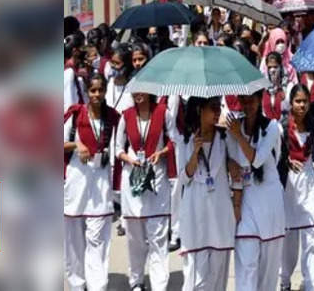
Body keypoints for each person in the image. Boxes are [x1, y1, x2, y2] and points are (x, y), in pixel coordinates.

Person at [64, 73, 120, 291]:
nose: (97, 94)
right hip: (76, 185)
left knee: (98, 240)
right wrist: (76, 145)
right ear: (87, 92)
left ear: (106, 91)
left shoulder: (113, 116)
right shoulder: (76, 115)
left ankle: (98, 286)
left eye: (100, 90)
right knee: (74, 242)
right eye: (93, 90)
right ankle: (77, 284)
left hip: (101, 186)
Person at [173, 96, 236, 291]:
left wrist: (232, 164)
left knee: (218, 274)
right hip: (195, 213)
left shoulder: (225, 137)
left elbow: (236, 169)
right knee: (196, 278)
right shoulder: (184, 140)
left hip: (220, 212)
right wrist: (195, 152)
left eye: (219, 107)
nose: (218, 111)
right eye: (213, 107)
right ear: (200, 109)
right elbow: (184, 177)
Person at [115, 91, 175, 291]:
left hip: (156, 179)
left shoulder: (163, 113)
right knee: (135, 238)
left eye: (142, 90)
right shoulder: (126, 115)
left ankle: (159, 284)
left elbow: (174, 140)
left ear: (150, 92)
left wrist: (162, 152)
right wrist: (129, 159)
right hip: (132, 179)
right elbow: (117, 148)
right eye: (135, 90)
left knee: (158, 236)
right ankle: (137, 281)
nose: (138, 94)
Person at [226, 91, 286, 291]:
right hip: (246, 201)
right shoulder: (234, 127)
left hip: (270, 201)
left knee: (268, 271)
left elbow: (257, 159)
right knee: (246, 264)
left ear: (260, 100)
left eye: (251, 99)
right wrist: (228, 162)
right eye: (242, 99)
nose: (246, 104)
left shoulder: (272, 127)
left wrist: (238, 135)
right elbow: (230, 157)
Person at [281, 85, 314, 291]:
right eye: (298, 101)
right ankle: (284, 280)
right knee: (288, 241)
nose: (301, 105)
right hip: (288, 188)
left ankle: (313, 285)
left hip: (308, 184)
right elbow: (276, 158)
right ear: (291, 103)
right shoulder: (281, 126)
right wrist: (287, 160)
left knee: (311, 238)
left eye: (305, 101)